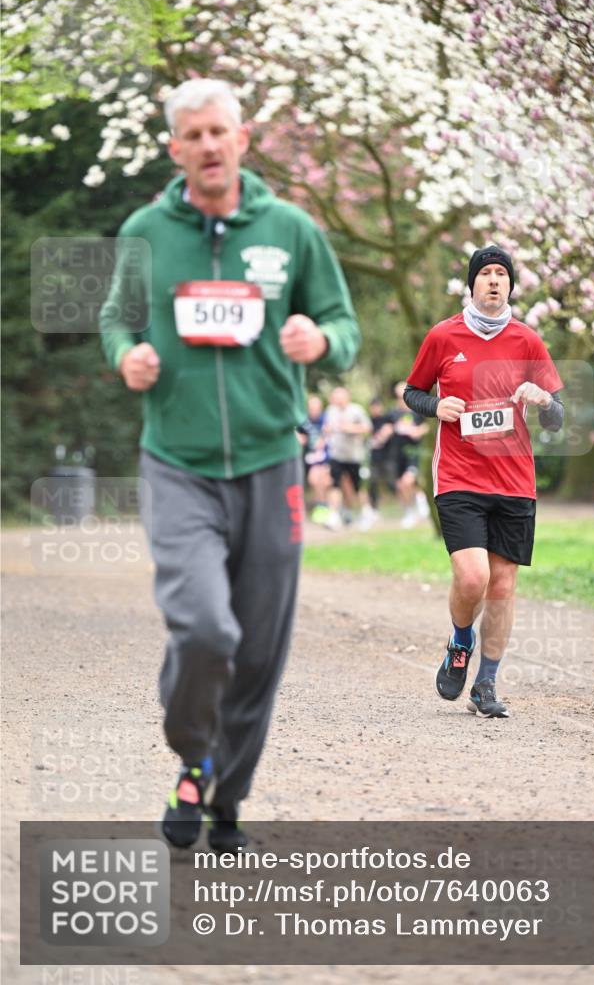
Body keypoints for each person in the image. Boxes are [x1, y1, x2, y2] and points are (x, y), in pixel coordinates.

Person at [100, 78, 359, 850]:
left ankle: (225, 795)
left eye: (221, 131)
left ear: (242, 140)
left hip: (270, 461)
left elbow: (341, 321)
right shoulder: (147, 229)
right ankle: (193, 758)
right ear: (175, 148)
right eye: (194, 135)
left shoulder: (290, 230)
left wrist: (322, 341)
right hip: (177, 463)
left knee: (258, 645)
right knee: (206, 627)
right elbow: (117, 316)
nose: (209, 145)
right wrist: (127, 356)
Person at [404, 245, 564, 718]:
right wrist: (437, 406)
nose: (494, 280)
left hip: (514, 480)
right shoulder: (442, 336)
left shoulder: (527, 342)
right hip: (459, 474)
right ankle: (459, 643)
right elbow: (412, 391)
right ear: (471, 285)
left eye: (501, 274)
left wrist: (543, 399)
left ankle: (486, 683)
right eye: (485, 274)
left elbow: (557, 419)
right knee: (473, 577)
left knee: (503, 586)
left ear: (510, 286)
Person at [323, 386, 375, 530]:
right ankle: (333, 516)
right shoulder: (330, 411)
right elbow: (327, 428)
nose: (337, 401)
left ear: (347, 397)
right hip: (336, 455)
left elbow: (367, 428)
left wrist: (350, 428)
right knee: (334, 484)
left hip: (354, 456)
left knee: (357, 487)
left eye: (340, 397)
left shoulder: (356, 410)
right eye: (335, 398)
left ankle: (366, 511)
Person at [389, 380, 430, 528]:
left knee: (408, 481)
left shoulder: (417, 410)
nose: (401, 399)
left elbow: (428, 425)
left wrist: (418, 431)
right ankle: (409, 512)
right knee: (401, 485)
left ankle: (421, 501)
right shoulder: (393, 413)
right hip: (397, 453)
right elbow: (387, 428)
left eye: (403, 395)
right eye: (399, 396)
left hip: (413, 452)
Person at [297, 394, 332, 525]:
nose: (314, 411)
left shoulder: (326, 418)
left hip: (326, 457)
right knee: (314, 481)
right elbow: (299, 436)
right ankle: (321, 506)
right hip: (310, 458)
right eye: (311, 408)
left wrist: (324, 437)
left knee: (322, 481)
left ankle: (324, 507)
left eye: (316, 408)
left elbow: (329, 434)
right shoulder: (304, 421)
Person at [368, 397, 395, 513]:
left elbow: (390, 430)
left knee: (392, 481)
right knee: (373, 481)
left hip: (388, 456)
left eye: (377, 406)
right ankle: (374, 508)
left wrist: (382, 435)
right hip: (374, 457)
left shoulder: (387, 418)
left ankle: (408, 504)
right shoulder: (368, 421)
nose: (375, 409)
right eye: (373, 407)